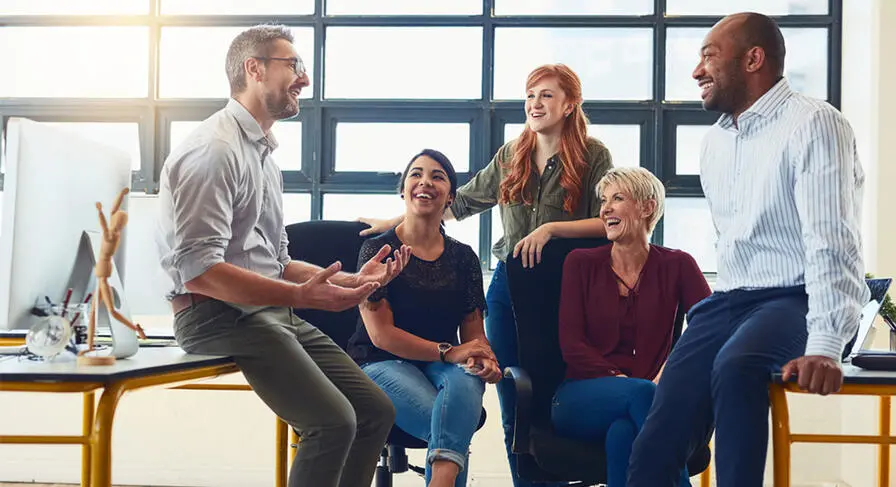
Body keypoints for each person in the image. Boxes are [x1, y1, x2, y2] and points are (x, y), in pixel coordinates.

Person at [155, 25, 413, 487]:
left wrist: (350, 281)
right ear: (253, 70)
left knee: (375, 411)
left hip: (267, 312)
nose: (304, 79)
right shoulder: (214, 151)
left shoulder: (264, 160)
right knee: (333, 422)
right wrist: (302, 295)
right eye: (292, 65)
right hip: (215, 314)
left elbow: (277, 261)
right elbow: (200, 273)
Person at [627, 12, 870, 487]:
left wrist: (825, 344)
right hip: (728, 302)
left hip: (794, 298)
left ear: (753, 59)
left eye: (709, 57)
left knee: (737, 367)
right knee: (660, 429)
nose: (698, 71)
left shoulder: (815, 123)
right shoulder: (716, 141)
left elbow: (831, 239)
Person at [359, 64, 612, 487]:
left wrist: (550, 230)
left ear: (570, 105)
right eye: (530, 96)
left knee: (556, 394)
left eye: (547, 96)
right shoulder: (512, 155)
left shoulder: (592, 155)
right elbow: (458, 202)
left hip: (564, 291)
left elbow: (609, 222)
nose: (535, 104)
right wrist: (394, 220)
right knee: (514, 397)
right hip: (510, 289)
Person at [348, 149, 503, 487]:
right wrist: (449, 352)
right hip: (380, 362)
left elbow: (475, 336)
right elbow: (381, 336)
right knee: (453, 420)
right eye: (416, 174)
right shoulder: (378, 250)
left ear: (451, 196)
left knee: (467, 379)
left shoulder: (464, 258)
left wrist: (484, 359)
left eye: (438, 176)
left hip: (439, 366)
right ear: (403, 189)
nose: (426, 182)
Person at [551, 167, 710, 487]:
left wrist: (666, 374)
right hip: (579, 398)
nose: (605, 208)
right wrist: (626, 382)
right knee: (642, 395)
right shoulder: (580, 263)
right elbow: (571, 344)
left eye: (618, 198)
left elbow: (709, 327)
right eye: (604, 200)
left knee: (623, 434)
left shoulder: (678, 264)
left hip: (649, 396)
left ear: (647, 207)